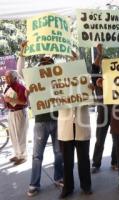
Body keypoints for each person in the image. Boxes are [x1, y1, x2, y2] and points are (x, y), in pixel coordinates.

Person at [16, 41, 64, 197]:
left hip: (57, 120)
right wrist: (22, 52)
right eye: (44, 62)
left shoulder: (59, 77)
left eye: (49, 62)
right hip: (41, 122)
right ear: (40, 65)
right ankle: (34, 184)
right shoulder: (34, 78)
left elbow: (73, 77)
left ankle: (59, 178)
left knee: (59, 153)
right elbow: (20, 71)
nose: (46, 64)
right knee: (37, 155)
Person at [57, 52, 92, 198]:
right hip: (65, 128)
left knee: (84, 159)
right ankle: (68, 188)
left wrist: (91, 90)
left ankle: (86, 186)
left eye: (75, 63)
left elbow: (92, 101)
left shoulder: (86, 79)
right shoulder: (58, 82)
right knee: (67, 161)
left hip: (81, 126)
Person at [91, 44, 117, 174]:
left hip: (116, 113)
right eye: (102, 64)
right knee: (100, 139)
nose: (103, 65)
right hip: (102, 114)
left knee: (116, 138)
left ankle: (115, 162)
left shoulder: (116, 79)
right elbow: (94, 68)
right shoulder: (97, 79)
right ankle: (96, 163)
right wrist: (99, 55)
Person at [3, 69, 28, 165]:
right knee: (13, 135)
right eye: (5, 77)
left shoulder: (20, 86)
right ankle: (17, 154)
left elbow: (24, 102)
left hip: (19, 112)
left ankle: (23, 156)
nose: (6, 79)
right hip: (11, 112)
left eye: (8, 77)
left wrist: (11, 99)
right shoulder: (9, 86)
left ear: (14, 77)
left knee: (20, 135)